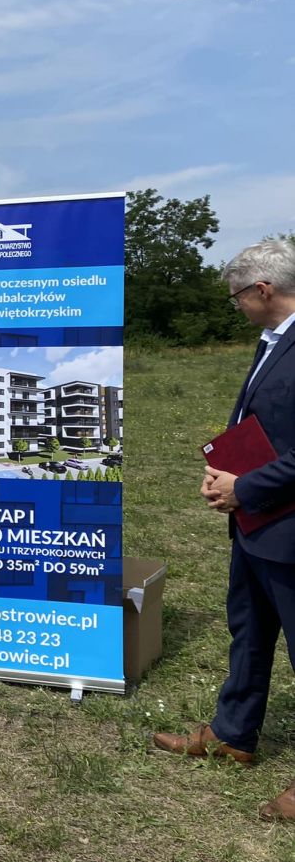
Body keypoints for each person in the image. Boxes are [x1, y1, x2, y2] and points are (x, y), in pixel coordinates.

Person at [155, 239, 295, 820]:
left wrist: (247, 486)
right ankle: (233, 734)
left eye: (237, 296)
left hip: (285, 522)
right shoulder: (273, 341)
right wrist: (228, 478)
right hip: (257, 522)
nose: (235, 306)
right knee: (249, 632)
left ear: (263, 289)